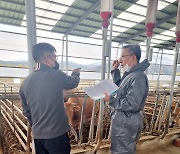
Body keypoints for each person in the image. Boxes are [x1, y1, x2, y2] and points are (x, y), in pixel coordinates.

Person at [19, 42, 80, 154]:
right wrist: (76, 74)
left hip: (38, 136)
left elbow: (26, 111)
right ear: (46, 58)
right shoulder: (55, 75)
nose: (55, 61)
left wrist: (36, 125)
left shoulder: (25, 82)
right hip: (57, 135)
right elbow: (73, 83)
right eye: (54, 57)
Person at [104, 44, 150, 154]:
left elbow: (133, 103)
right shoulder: (131, 74)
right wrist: (115, 71)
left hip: (127, 122)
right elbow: (120, 88)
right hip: (123, 121)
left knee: (123, 150)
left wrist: (111, 100)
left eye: (123, 56)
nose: (120, 60)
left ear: (133, 57)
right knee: (120, 149)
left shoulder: (138, 77)